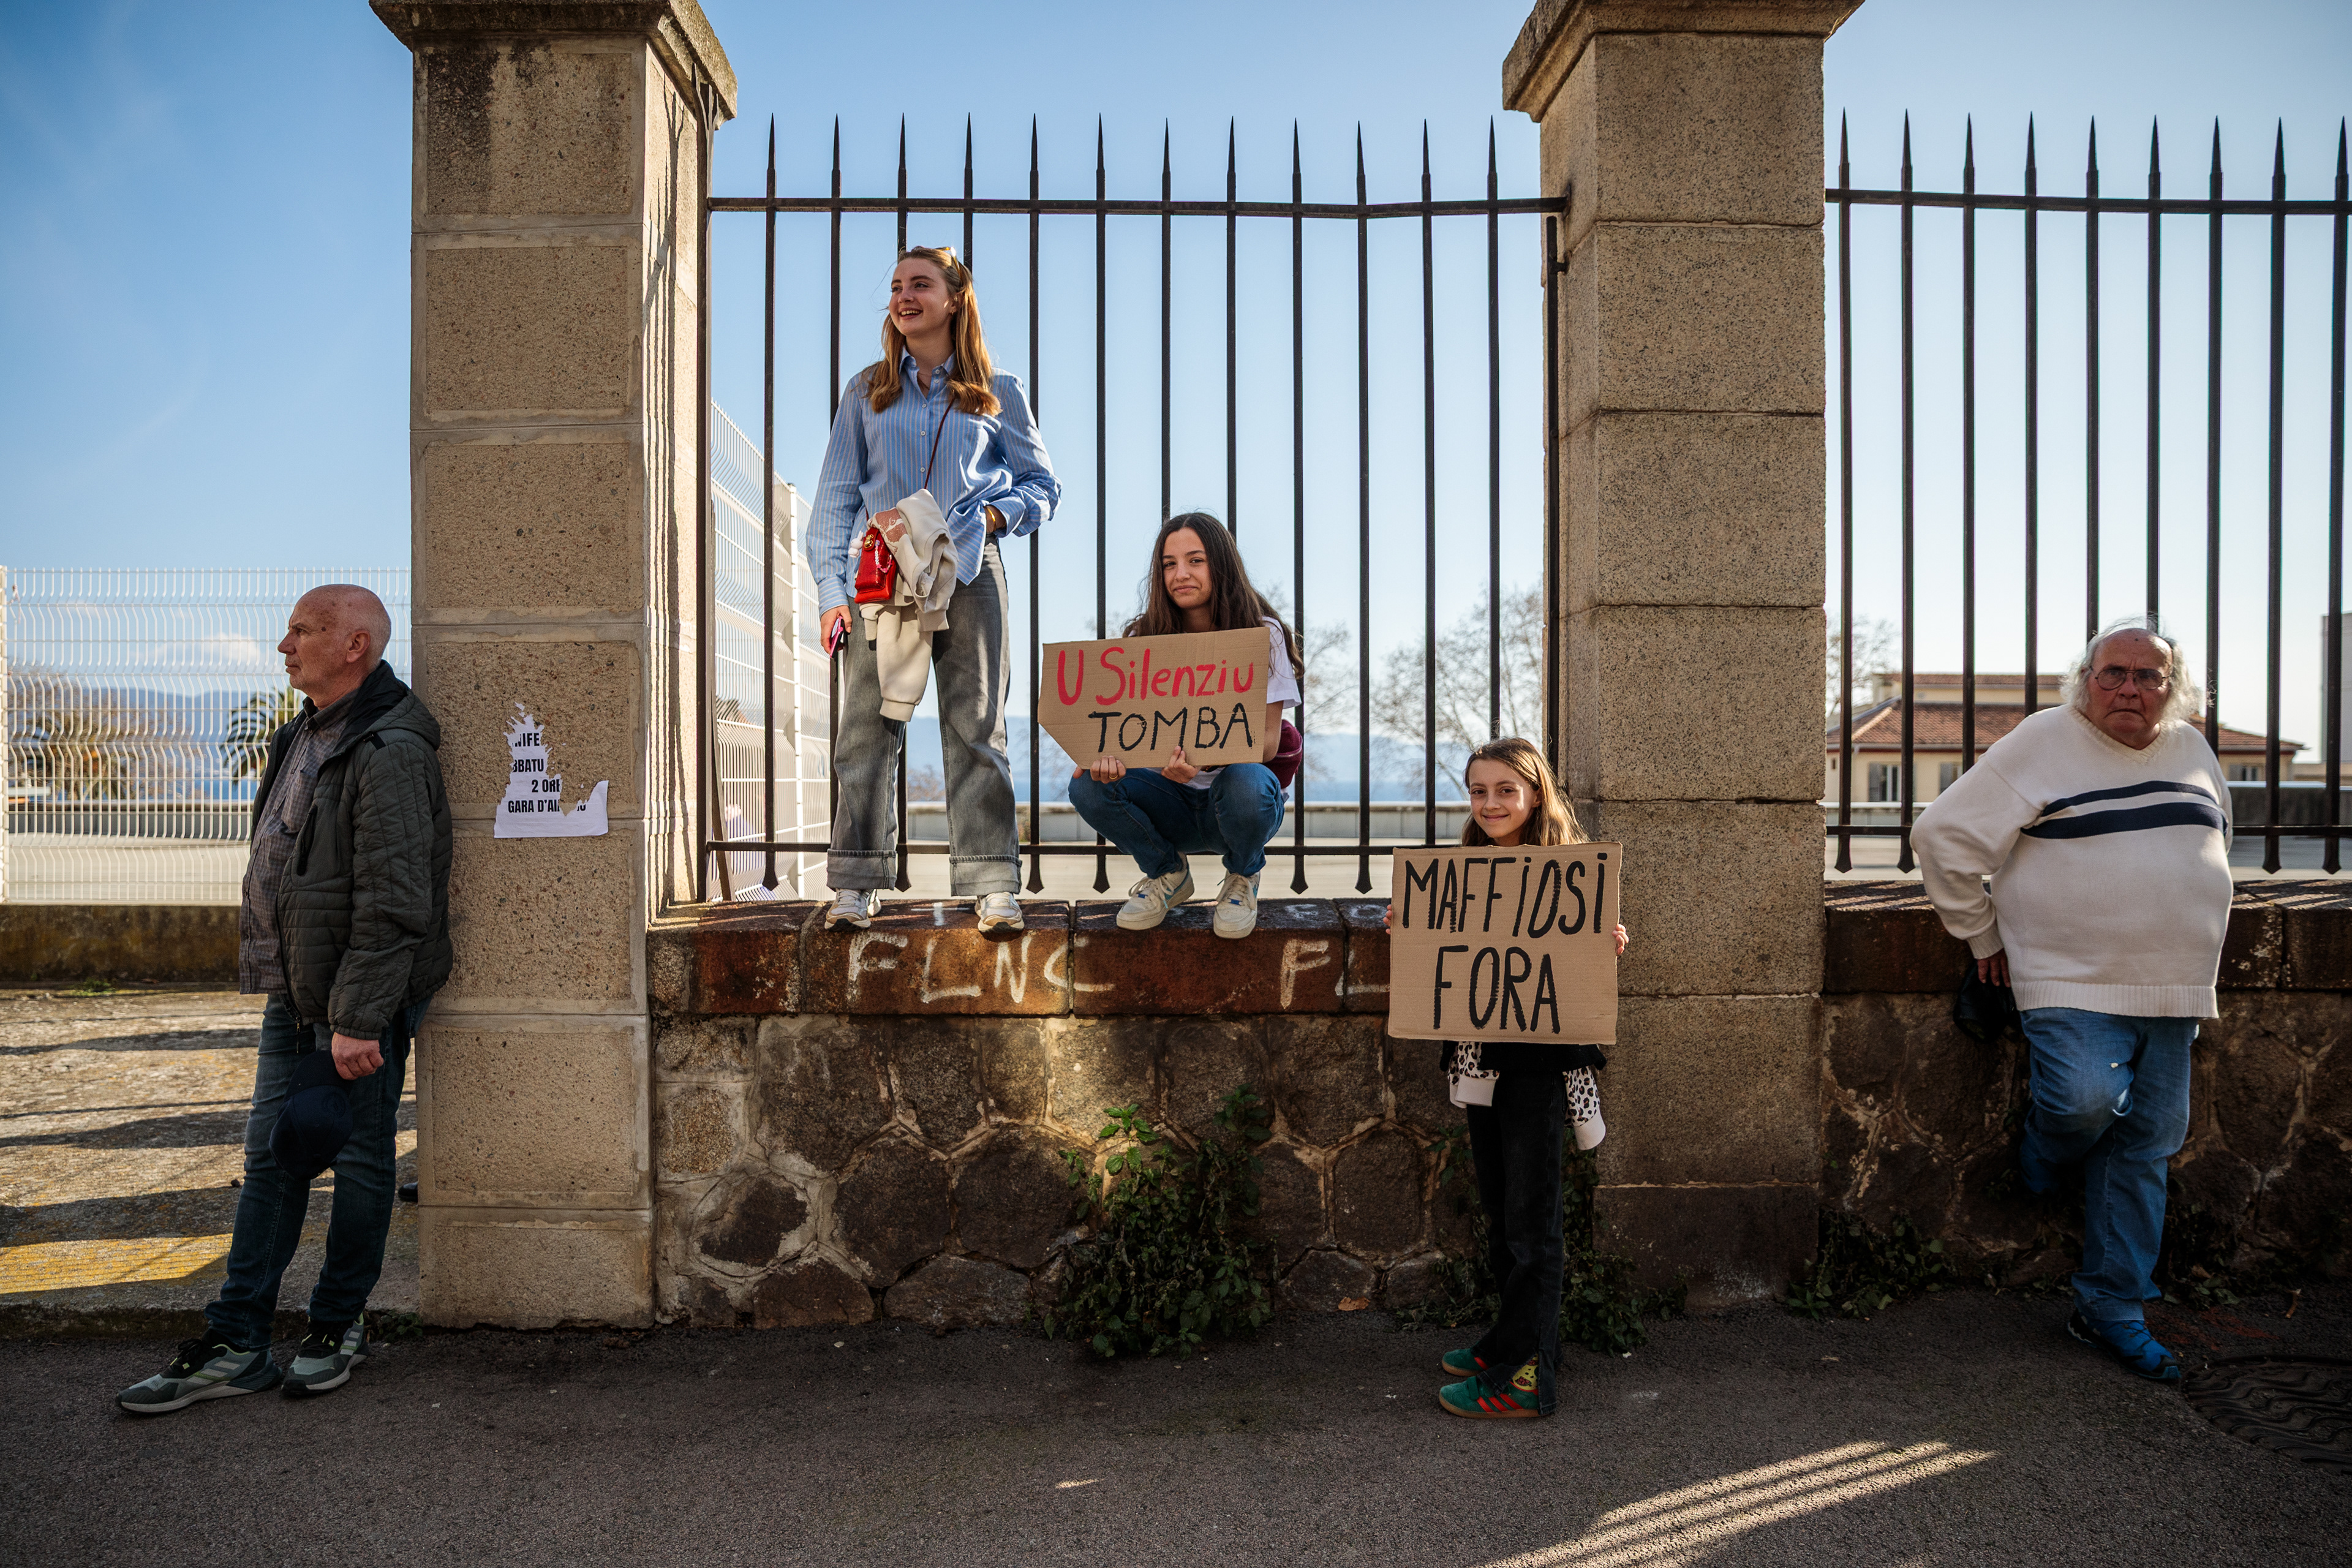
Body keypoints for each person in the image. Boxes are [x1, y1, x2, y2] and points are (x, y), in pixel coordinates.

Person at [118, 585, 451, 1413]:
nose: (284, 644)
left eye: (303, 630)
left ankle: (337, 1326)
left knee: (362, 1160)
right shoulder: (304, 734)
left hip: (351, 1005)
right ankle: (237, 1341)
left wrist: (358, 1019)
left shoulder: (390, 746)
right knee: (272, 1158)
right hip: (298, 995)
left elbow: (397, 897)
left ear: (356, 646)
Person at [1912, 616, 2232, 1383]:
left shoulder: (2192, 748)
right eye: (2112, 672)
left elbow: (2214, 843)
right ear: (2085, 681)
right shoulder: (2044, 739)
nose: (2129, 687)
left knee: (2149, 1144)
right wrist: (1982, 937)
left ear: (2172, 688)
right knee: (2084, 1102)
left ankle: (2111, 1308)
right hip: (2069, 977)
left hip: (2176, 987)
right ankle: (2041, 1160)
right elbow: (1941, 836)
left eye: (2148, 676)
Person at [811, 245, 1060, 934]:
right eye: (895, 286)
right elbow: (834, 499)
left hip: (970, 573)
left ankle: (991, 885)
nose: (903, 296)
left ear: (955, 298)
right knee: (866, 726)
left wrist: (992, 513)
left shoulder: (998, 390)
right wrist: (832, 591)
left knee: (976, 726)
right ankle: (857, 882)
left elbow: (1045, 487)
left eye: (920, 283)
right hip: (882, 578)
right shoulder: (866, 391)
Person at [1385, 738, 1627, 1420]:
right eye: (1477, 790)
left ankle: (1528, 1378)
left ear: (1535, 794)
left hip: (1538, 1068)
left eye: (1504, 790)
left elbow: (1581, 954)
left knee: (1532, 1222)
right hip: (1483, 1063)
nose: (1490, 803)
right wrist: (1410, 928)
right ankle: (1510, 1340)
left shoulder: (1568, 872)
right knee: (1502, 1211)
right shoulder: (1464, 867)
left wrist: (1605, 943)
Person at [1067, 513, 1300, 940]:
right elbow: (1131, 737)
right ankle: (1168, 873)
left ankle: (1243, 877)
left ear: (1221, 565)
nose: (1181, 574)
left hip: (1233, 805)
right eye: (1169, 565)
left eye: (1196, 560)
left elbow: (1266, 745)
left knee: (1249, 779)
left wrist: (1199, 759)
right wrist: (1104, 759)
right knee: (1086, 785)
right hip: (1169, 802)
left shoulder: (1263, 635)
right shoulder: (1144, 640)